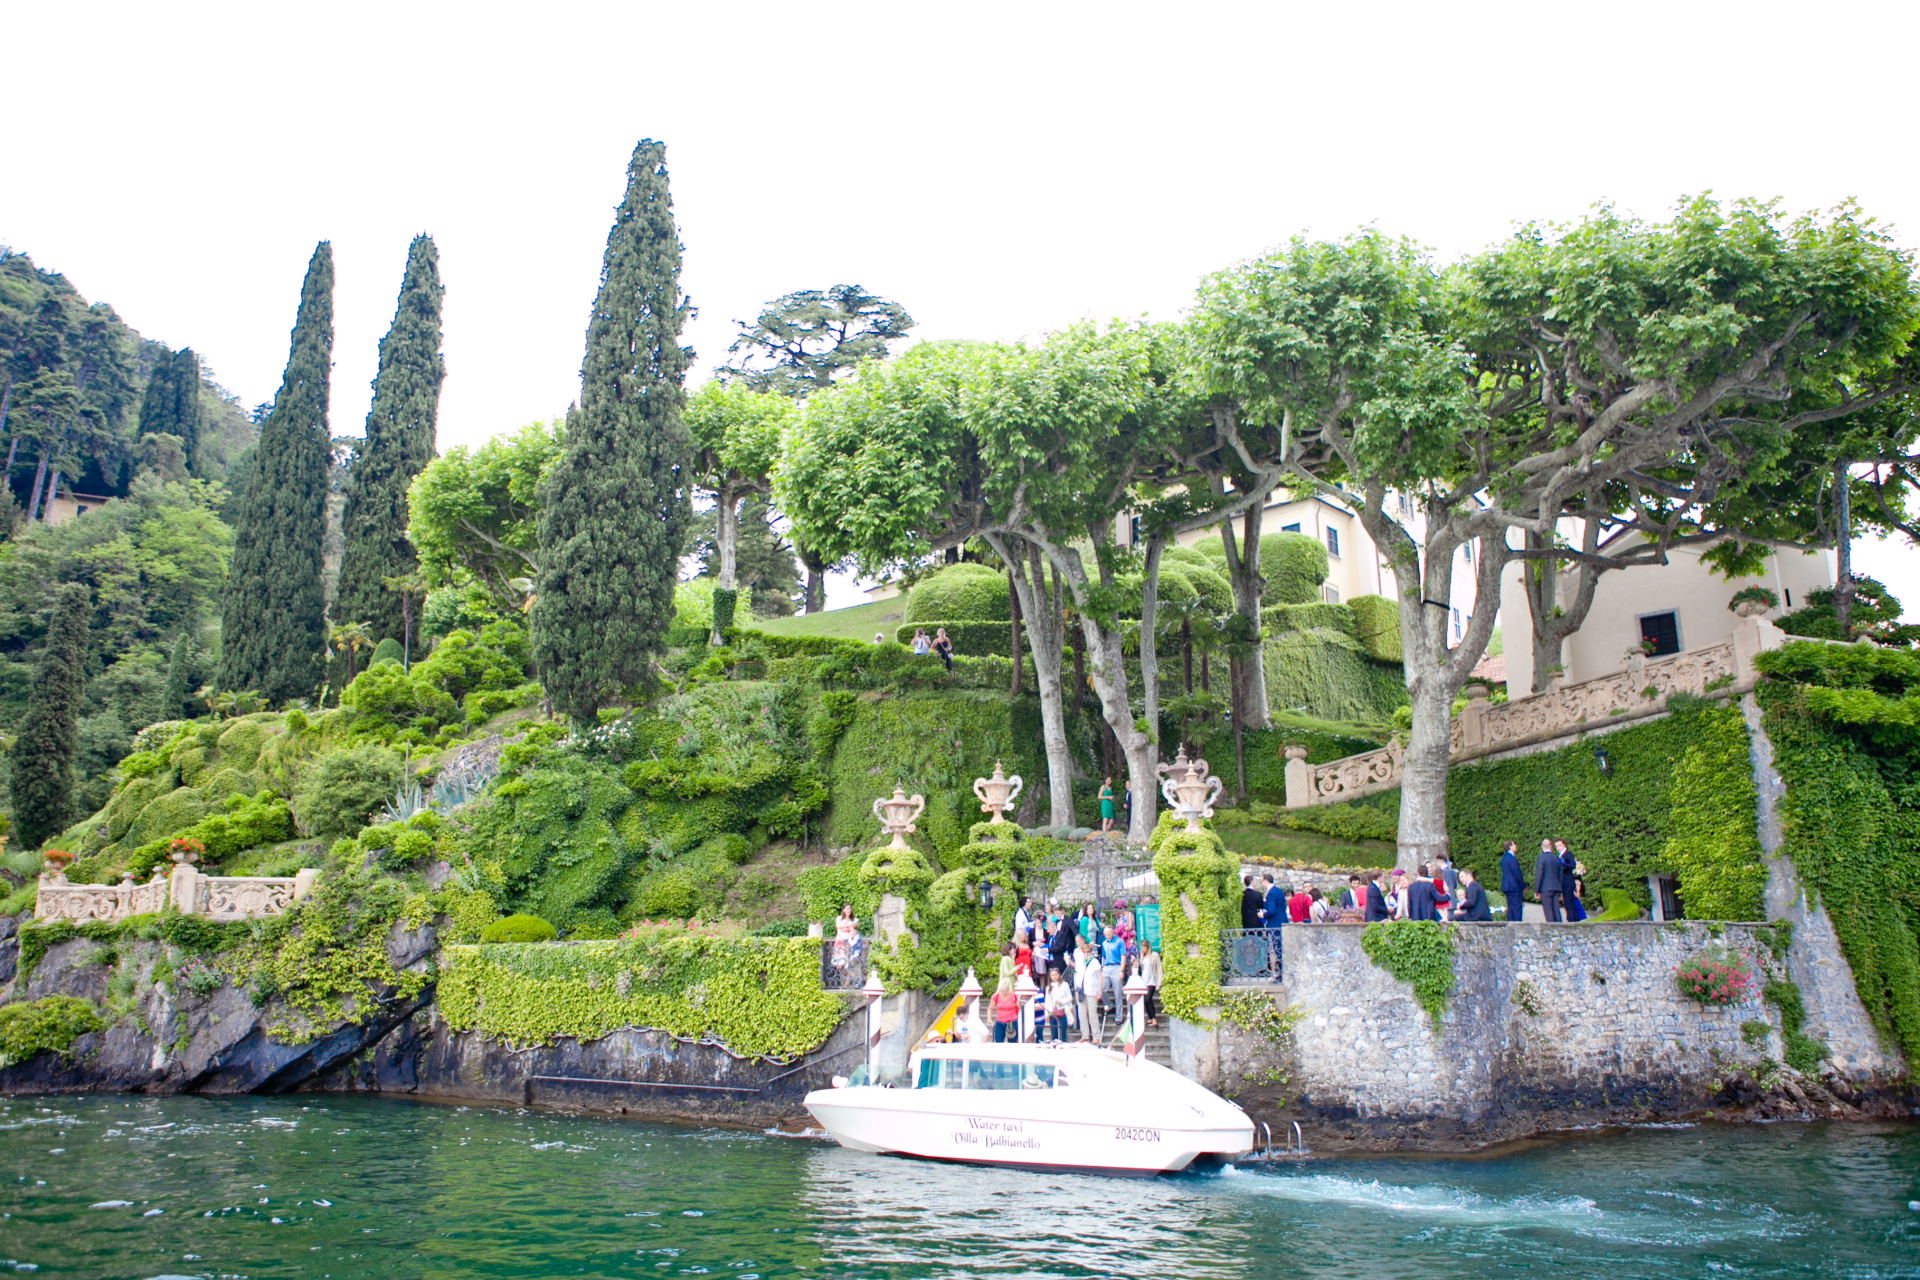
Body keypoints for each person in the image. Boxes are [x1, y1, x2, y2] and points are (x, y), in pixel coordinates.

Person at [1077, 939, 1104, 1043]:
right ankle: (1085, 1035)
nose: (1086, 954)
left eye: (1088, 952)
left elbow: (1100, 977)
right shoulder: (1081, 962)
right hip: (1081, 990)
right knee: (1082, 1013)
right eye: (1084, 952)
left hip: (1091, 990)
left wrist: (1099, 991)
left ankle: (1096, 1036)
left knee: (1092, 1013)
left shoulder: (1094, 962)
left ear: (1091, 952)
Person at [1535, 838, 1565, 922]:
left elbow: (1539, 874)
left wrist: (1536, 890)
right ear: (1551, 847)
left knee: (1548, 909)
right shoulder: (1557, 858)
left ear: (1542, 847)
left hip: (1545, 888)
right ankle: (1559, 927)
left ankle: (1551, 929)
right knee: (1556, 908)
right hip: (1556, 887)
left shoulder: (1541, 858)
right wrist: (1560, 887)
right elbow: (1560, 875)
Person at [1101, 925, 1127, 1020]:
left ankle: (1119, 1016)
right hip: (1106, 967)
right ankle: (1109, 1004)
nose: (1108, 936)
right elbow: (1103, 956)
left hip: (1116, 966)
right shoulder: (1104, 943)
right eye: (1106, 934)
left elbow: (1123, 956)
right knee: (1101, 990)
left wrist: (1121, 970)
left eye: (1109, 934)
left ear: (1113, 932)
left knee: (1117, 993)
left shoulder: (1119, 942)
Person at [1556, 840, 1587, 921]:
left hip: (1568, 883)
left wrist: (1562, 864)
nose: (1558, 847)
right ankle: (1574, 920)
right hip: (1564, 883)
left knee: (1568, 904)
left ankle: (1571, 921)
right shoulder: (1559, 855)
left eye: (1560, 845)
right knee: (1568, 903)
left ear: (1564, 845)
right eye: (1556, 846)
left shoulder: (1568, 854)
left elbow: (1572, 865)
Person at [1499, 840, 1526, 925]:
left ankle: (1510, 925)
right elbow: (1517, 874)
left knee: (1510, 908)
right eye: (1514, 844)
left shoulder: (1504, 858)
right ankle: (1517, 926)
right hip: (1514, 886)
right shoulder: (1512, 859)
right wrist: (1523, 887)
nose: (1516, 846)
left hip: (1506, 886)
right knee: (1517, 908)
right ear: (1510, 846)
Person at [1139, 940, 1162, 1027]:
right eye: (1141, 948)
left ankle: (1154, 1018)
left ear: (1148, 947)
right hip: (1144, 979)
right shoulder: (1142, 956)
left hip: (1152, 979)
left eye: (1144, 948)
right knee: (1145, 1000)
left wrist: (1159, 981)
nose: (1142, 950)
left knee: (1149, 998)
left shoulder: (1154, 955)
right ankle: (1150, 1018)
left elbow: (1159, 968)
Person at [1046, 971, 1073, 1041]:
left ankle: (1063, 1044)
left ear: (1059, 975)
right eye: (1052, 975)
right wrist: (1046, 1014)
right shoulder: (1049, 987)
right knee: (1053, 1032)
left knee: (1062, 1031)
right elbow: (1047, 1001)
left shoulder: (1064, 984)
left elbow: (1070, 997)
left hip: (1062, 1010)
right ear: (1050, 977)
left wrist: (1062, 1002)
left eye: (1056, 975)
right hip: (1052, 1011)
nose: (1054, 977)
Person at [990, 979, 1020, 1043]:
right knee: (998, 1043)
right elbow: (990, 1008)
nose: (1003, 992)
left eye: (1004, 991)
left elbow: (1019, 1007)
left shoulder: (1014, 995)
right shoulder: (996, 995)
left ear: (1008, 989)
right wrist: (989, 1018)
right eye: (1001, 991)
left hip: (1012, 1022)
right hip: (1000, 1022)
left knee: (1013, 1043)